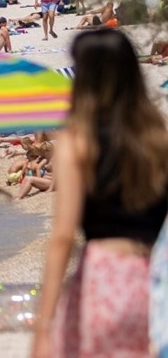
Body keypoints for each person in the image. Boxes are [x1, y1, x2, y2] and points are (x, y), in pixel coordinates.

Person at [32, 30, 168, 358]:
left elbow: (63, 236)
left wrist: (42, 325)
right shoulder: (158, 137)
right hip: (148, 284)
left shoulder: (78, 142)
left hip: (100, 280)